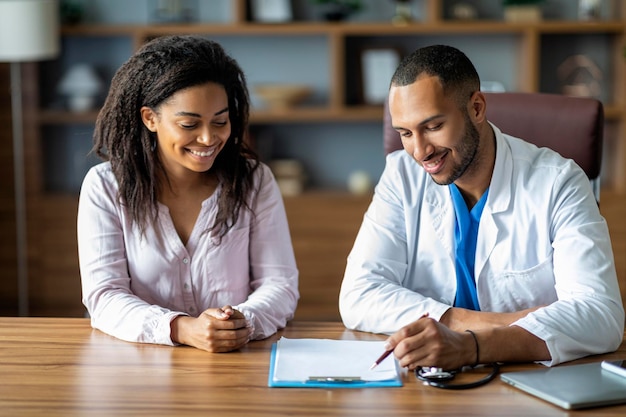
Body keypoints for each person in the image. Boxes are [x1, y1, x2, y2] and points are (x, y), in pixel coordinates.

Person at [339, 44, 624, 369]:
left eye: (432, 127)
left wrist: (471, 347)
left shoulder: (559, 182)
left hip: (530, 382)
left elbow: (602, 314)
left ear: (476, 108)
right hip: (430, 381)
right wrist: (478, 322)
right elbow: (357, 296)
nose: (419, 151)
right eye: (405, 133)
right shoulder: (401, 175)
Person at [77, 35, 299, 352]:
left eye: (220, 121)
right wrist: (182, 329)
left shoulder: (255, 181)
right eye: (189, 124)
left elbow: (280, 285)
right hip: (140, 366)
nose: (208, 138)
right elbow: (104, 296)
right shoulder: (105, 186)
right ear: (150, 118)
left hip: (236, 363)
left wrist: (238, 322)